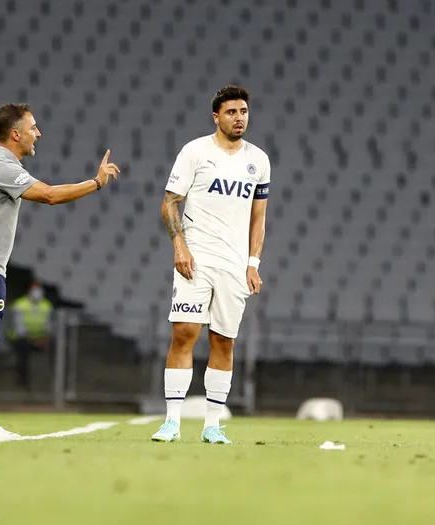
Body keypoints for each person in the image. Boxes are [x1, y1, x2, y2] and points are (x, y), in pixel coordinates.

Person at [0, 103, 120, 439]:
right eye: (33, 128)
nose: (38, 133)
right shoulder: (0, 166)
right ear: (15, 134)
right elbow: (50, 196)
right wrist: (96, 183)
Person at [151, 85, 270, 444]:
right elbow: (170, 202)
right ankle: (172, 422)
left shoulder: (259, 160)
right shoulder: (195, 151)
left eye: (243, 111)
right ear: (216, 117)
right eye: (231, 112)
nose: (239, 118)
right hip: (197, 258)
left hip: (234, 264)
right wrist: (180, 246)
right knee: (184, 333)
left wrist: (253, 263)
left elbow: (259, 218)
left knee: (223, 341)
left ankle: (212, 425)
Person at [8, 281, 54, 389]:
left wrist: (45, 339)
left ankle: (54, 380)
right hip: (21, 339)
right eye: (34, 289)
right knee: (23, 348)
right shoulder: (20, 304)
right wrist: (34, 341)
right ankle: (22, 381)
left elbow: (49, 326)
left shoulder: (46, 305)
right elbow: (19, 329)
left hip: (41, 339)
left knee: (57, 346)